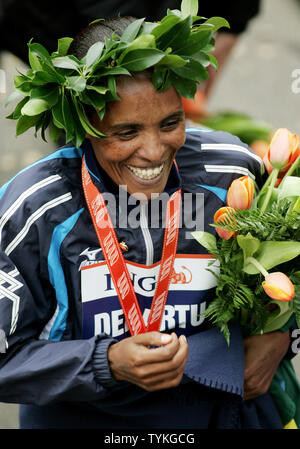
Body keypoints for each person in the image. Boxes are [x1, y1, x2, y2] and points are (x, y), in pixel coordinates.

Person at [0, 10, 294, 430]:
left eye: (171, 123)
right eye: (126, 132)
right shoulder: (35, 209)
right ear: (83, 125)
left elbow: (287, 275)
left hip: (222, 415)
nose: (154, 152)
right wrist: (106, 363)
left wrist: (282, 338)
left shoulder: (233, 174)